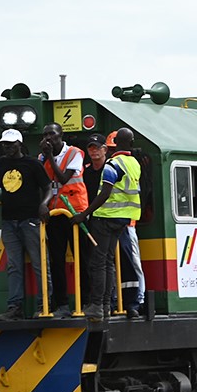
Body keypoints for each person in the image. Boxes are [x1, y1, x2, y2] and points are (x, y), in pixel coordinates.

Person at [0, 128, 53, 320]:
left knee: (40, 264)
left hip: (31, 220)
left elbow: (48, 187)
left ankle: (44, 305)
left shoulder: (32, 164)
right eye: (5, 144)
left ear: (20, 144)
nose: (7, 147)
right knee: (14, 265)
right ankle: (15, 307)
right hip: (9, 221)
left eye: (11, 144)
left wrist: (43, 204)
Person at [73, 128, 141, 321]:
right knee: (108, 262)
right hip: (124, 219)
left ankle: (97, 305)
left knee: (98, 263)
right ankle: (104, 305)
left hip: (105, 217)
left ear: (115, 143)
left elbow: (105, 193)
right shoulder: (134, 163)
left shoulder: (112, 164)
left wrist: (85, 213)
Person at [38, 123, 87, 319]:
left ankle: (86, 300)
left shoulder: (74, 153)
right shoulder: (41, 157)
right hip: (55, 214)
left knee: (82, 258)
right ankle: (62, 304)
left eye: (52, 134)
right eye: (45, 134)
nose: (49, 137)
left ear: (61, 135)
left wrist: (49, 157)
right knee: (56, 260)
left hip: (75, 213)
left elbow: (63, 178)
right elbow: (42, 182)